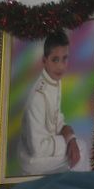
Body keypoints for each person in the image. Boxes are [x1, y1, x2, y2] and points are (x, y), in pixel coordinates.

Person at [17, 29, 81, 176]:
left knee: (78, 147)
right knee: (80, 153)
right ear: (44, 61)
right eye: (55, 59)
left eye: (64, 58)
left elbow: (56, 117)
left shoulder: (54, 81)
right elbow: (38, 149)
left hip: (48, 144)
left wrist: (70, 137)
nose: (61, 66)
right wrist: (66, 139)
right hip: (32, 158)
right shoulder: (38, 96)